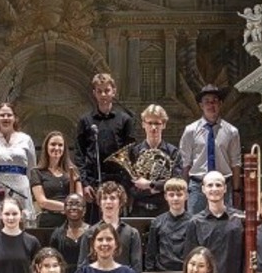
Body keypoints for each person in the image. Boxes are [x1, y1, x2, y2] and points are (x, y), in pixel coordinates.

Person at [75, 73, 136, 222]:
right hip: (94, 181)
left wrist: (126, 186)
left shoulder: (125, 119)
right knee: (94, 224)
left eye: (107, 90)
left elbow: (131, 153)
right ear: (94, 93)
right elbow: (80, 154)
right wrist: (85, 183)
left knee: (117, 223)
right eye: (99, 91)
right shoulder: (85, 120)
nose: (103, 94)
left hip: (118, 180)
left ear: (114, 91)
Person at [180, 84, 242, 213]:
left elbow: (235, 163)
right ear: (201, 106)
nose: (211, 105)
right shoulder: (190, 131)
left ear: (220, 104)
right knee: (195, 224)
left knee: (225, 225)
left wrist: (236, 190)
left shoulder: (231, 131)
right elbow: (186, 163)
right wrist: (184, 190)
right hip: (197, 186)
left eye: (214, 101)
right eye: (207, 102)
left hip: (223, 186)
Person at [124, 104, 182, 216]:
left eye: (157, 123)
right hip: (139, 209)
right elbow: (130, 185)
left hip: (164, 211)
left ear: (164, 125)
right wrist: (159, 188)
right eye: (150, 123)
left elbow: (175, 182)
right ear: (143, 124)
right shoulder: (134, 152)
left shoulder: (173, 152)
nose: (153, 127)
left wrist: (150, 185)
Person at [76, 182, 142, 273]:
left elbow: (136, 267)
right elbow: (82, 267)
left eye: (112, 198)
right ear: (99, 203)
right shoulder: (90, 233)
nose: (108, 202)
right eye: (104, 198)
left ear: (121, 202)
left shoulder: (132, 233)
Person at [30, 131, 84, 229]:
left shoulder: (73, 170)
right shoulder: (36, 172)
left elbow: (80, 198)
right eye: (53, 144)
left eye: (60, 145)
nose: (57, 148)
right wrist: (67, 207)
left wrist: (71, 208)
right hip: (48, 221)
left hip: (71, 221)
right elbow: (42, 202)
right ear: (46, 147)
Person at [145, 178, 191, 272]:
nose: (175, 198)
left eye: (179, 195)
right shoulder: (157, 222)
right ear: (166, 196)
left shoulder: (194, 222)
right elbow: (151, 252)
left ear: (186, 196)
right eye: (171, 195)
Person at [50, 193, 89, 273]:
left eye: (78, 204)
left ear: (84, 210)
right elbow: (54, 259)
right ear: (64, 209)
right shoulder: (57, 234)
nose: (74, 207)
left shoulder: (92, 232)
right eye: (70, 204)